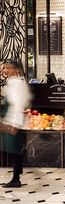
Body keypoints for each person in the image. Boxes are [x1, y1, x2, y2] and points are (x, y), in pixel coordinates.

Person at [0, 59, 32, 188]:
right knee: (14, 150)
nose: (5, 70)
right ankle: (15, 175)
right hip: (11, 119)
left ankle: (16, 179)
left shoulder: (18, 84)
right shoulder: (12, 82)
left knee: (15, 151)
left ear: (16, 69)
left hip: (14, 121)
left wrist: (14, 124)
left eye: (8, 68)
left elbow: (19, 104)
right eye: (5, 68)